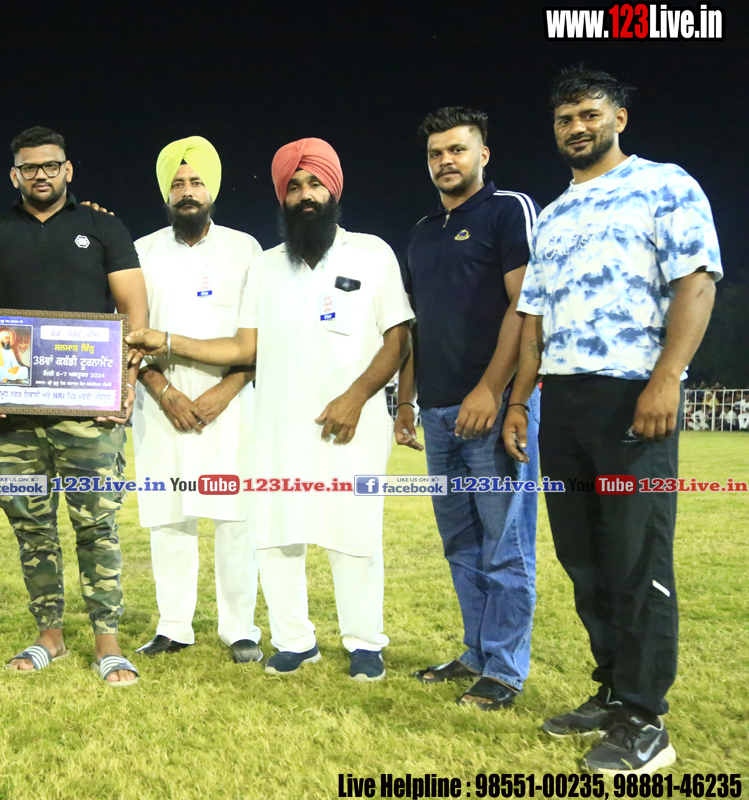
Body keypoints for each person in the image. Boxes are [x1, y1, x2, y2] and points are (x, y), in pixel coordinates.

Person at [128, 138, 414, 680]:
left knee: (353, 531)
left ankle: (363, 642)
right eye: (294, 186)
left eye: (315, 184)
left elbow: (397, 338)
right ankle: (293, 640)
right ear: (282, 196)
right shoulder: (265, 266)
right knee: (278, 532)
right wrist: (165, 344)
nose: (305, 195)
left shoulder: (370, 253)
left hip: (348, 423)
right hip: (277, 424)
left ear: (334, 189)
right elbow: (245, 345)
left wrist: (356, 398)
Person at [503, 68, 720, 774]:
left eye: (590, 114)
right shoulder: (554, 215)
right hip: (564, 404)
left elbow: (695, 284)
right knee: (585, 558)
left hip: (633, 398)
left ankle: (646, 720)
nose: (577, 128)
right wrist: (519, 402)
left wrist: (666, 379)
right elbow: (533, 320)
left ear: (618, 118)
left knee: (635, 556)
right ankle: (612, 690)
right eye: (565, 119)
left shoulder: (664, 184)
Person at [0, 126, 148, 686]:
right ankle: (50, 635)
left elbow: (134, 311)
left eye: (51, 165)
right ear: (15, 174)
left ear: (68, 169)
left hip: (89, 411)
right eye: (30, 167)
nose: (41, 174)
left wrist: (126, 381)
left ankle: (107, 641)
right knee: (31, 529)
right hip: (12, 414)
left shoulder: (104, 227)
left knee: (97, 525)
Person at [397, 107, 542, 710]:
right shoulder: (422, 231)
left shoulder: (509, 209)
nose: (445, 161)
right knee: (460, 544)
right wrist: (406, 400)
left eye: (457, 149)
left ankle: (505, 669)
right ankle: (476, 652)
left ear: (483, 154)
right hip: (437, 413)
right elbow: (415, 327)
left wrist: (495, 391)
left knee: (506, 544)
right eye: (436, 153)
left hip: (494, 406)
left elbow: (526, 307)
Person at [131, 136, 262, 663]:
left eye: (197, 182)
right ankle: (173, 626)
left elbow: (260, 338)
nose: (187, 192)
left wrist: (224, 392)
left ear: (214, 189)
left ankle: (240, 628)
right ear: (166, 192)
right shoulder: (141, 252)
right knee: (168, 517)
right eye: (178, 183)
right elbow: (128, 336)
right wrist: (165, 393)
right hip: (160, 406)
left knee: (236, 520)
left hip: (231, 405)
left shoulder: (245, 249)